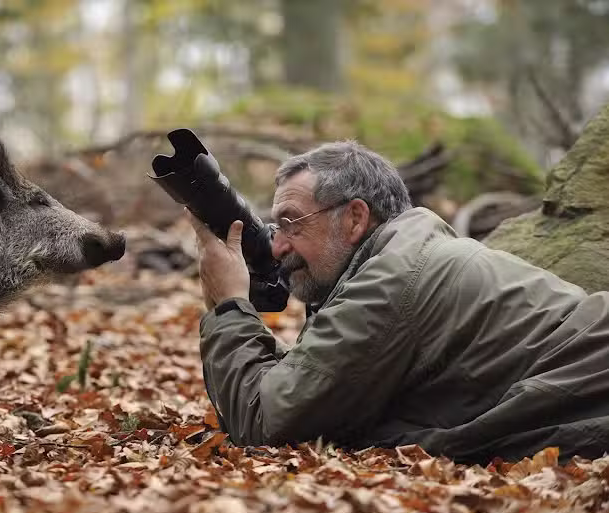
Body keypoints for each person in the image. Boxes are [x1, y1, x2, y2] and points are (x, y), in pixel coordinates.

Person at [187, 140, 609, 464]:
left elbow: (264, 422)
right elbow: (308, 387)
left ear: (354, 218)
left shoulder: (392, 280)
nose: (277, 246)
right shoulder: (403, 257)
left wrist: (228, 305)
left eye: (292, 223)